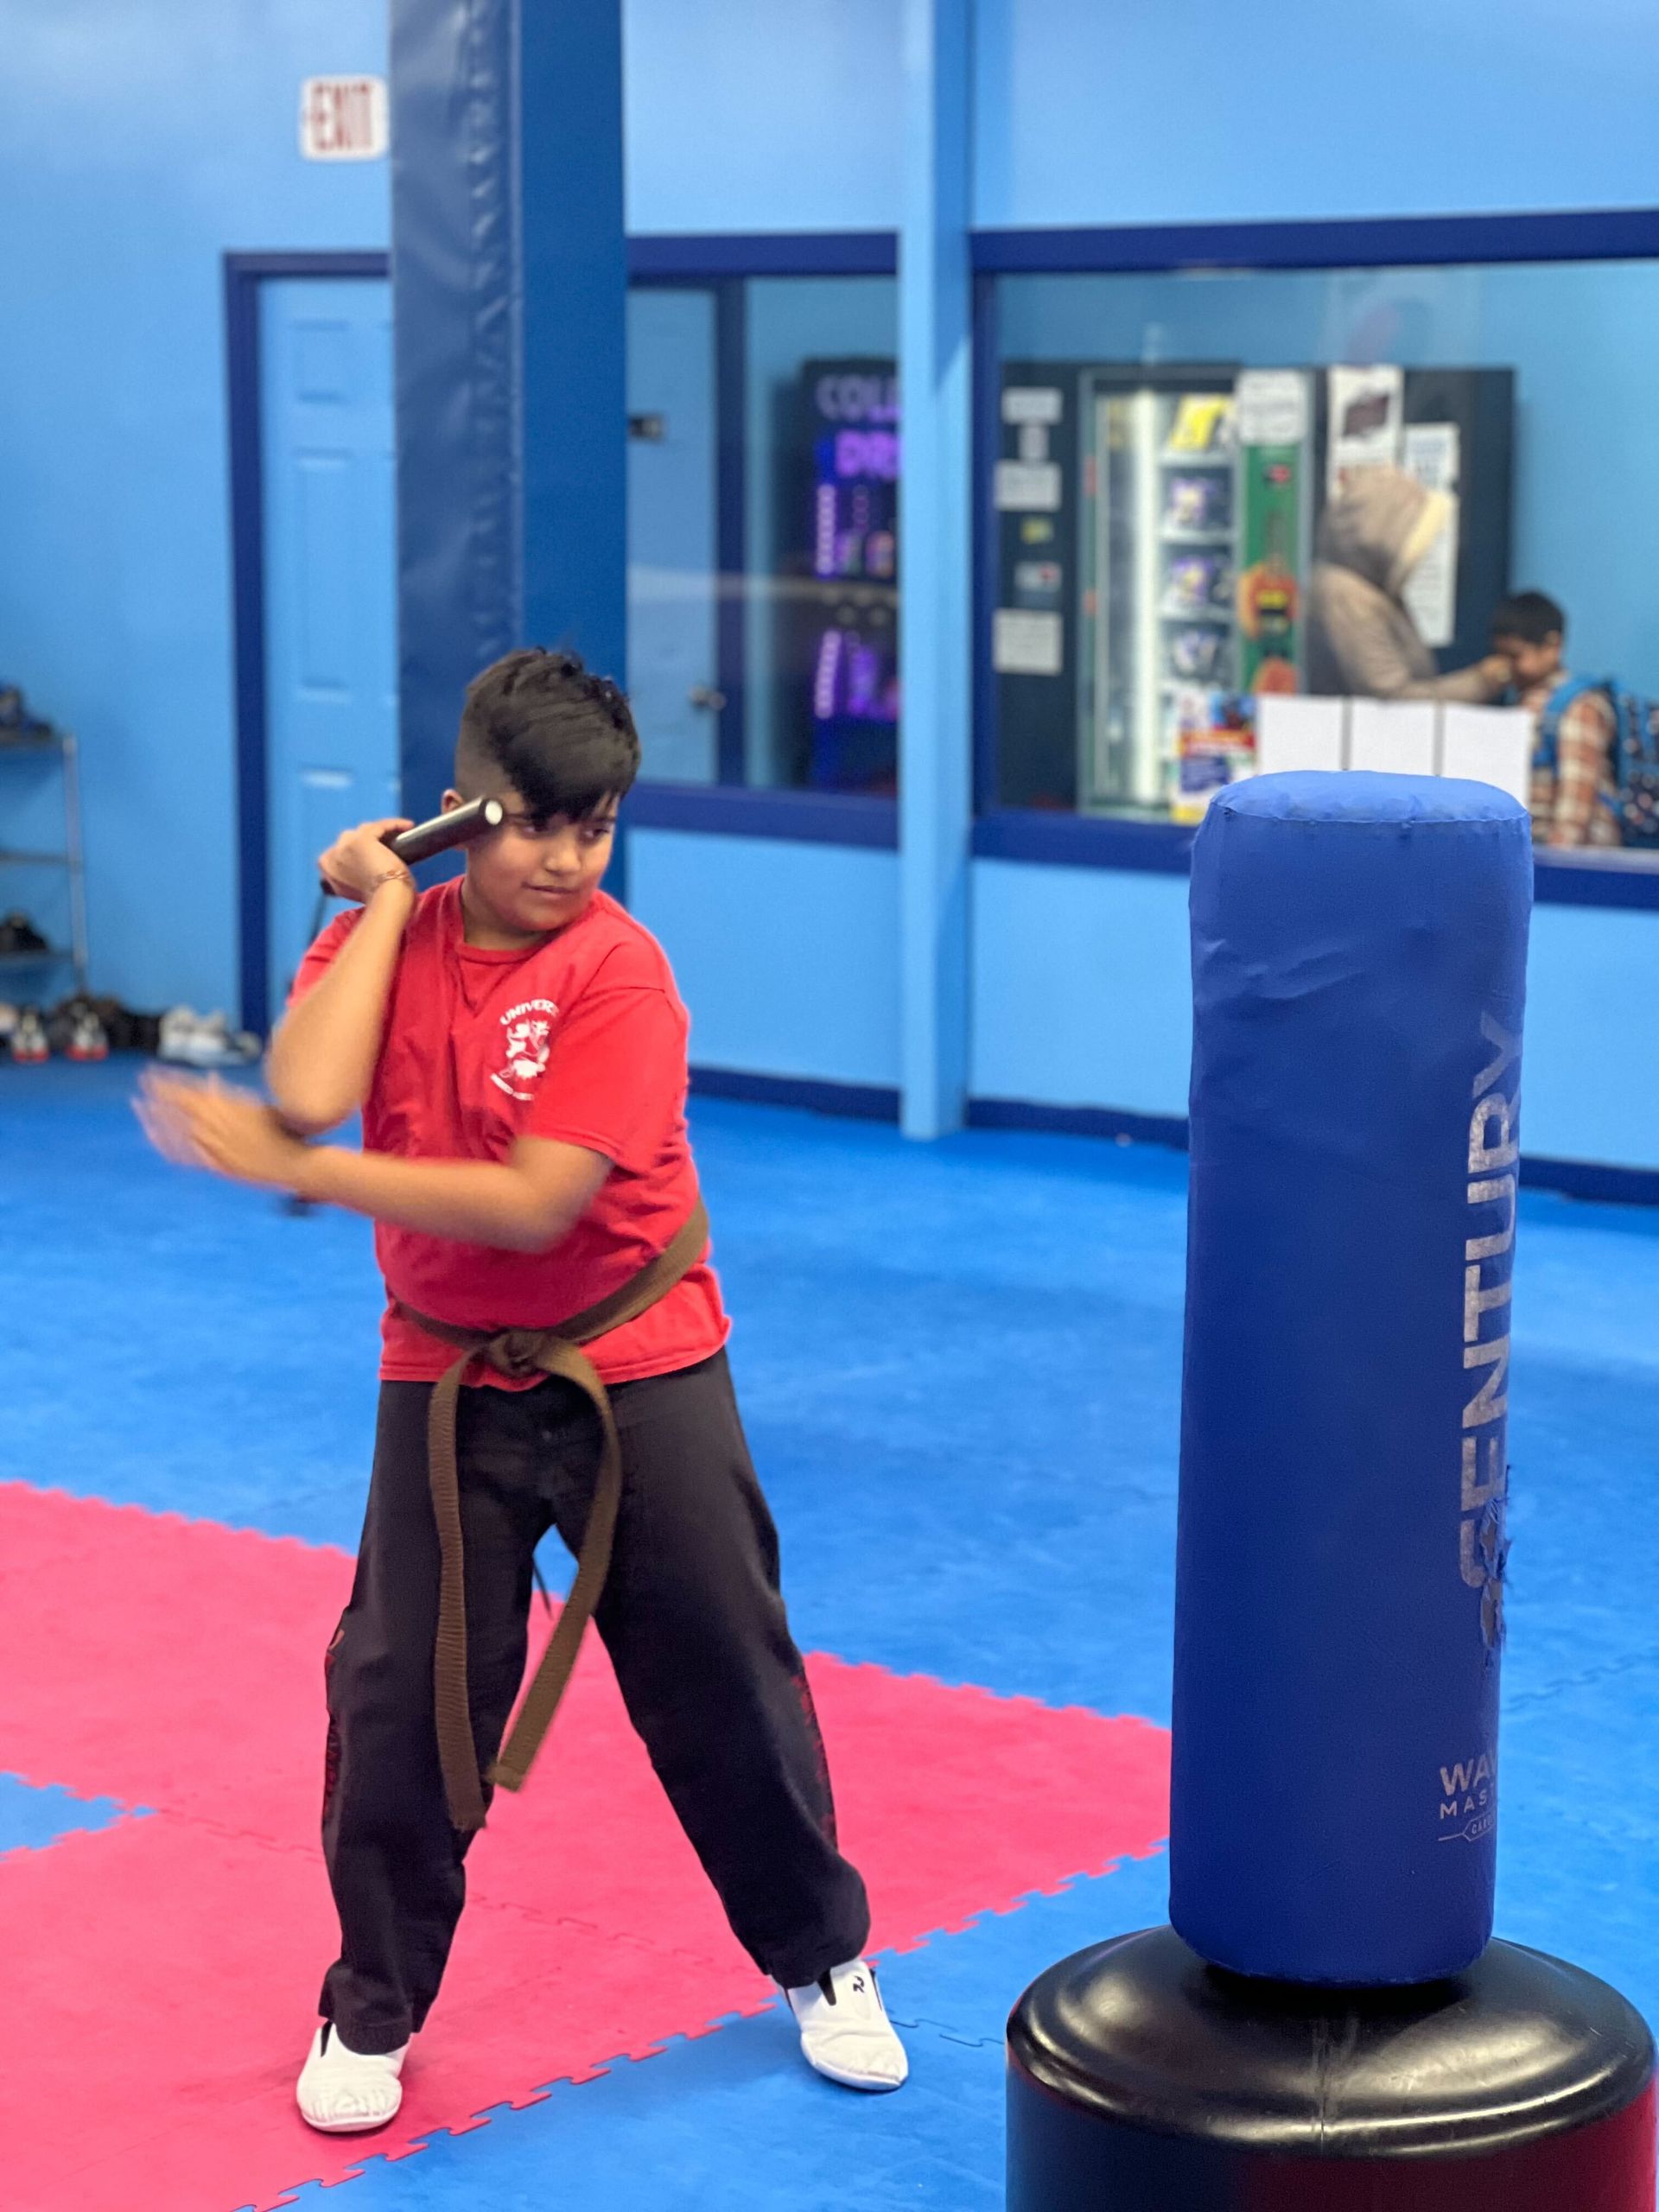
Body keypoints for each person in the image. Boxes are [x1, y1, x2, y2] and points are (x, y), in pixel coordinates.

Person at [137, 647, 907, 2133]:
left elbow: (537, 1200)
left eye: (595, 825)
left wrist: (296, 1175)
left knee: (724, 1673)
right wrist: (373, 903)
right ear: (457, 814)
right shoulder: (400, 936)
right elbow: (305, 1084)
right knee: (399, 1691)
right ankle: (369, 2006)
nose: (564, 858)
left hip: (636, 1358)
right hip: (442, 1377)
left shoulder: (619, 969)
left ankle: (823, 1954)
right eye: (533, 822)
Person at [1306, 467, 1511, 703]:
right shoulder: (1347, 597)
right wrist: (1481, 682)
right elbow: (1392, 700)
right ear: (1380, 533)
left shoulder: (1369, 590)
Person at [1490, 589, 1621, 849]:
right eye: (1500, 656)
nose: (1505, 667)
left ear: (1552, 646)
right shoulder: (1522, 703)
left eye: (1515, 656)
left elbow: (1575, 805)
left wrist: (1558, 861)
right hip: (1536, 850)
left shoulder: (1577, 705)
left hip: (1580, 863)